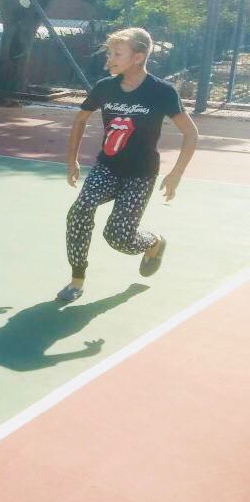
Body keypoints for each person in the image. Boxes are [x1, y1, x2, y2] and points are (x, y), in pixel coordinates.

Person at [59, 27, 198, 303]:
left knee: (118, 237)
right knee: (79, 211)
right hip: (107, 168)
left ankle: (154, 242)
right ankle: (77, 279)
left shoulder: (161, 92)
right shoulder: (104, 88)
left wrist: (176, 174)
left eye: (116, 54)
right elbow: (81, 119)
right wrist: (72, 159)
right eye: (109, 53)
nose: (109, 59)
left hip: (140, 175)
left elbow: (191, 133)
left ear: (138, 57)